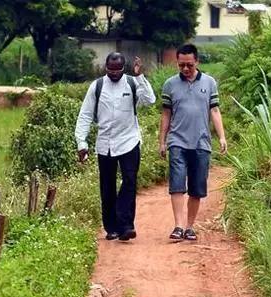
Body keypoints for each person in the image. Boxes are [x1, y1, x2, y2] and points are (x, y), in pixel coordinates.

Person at [75, 53, 156, 241]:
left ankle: (126, 226)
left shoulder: (132, 83)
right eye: (110, 70)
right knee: (107, 186)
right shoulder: (97, 86)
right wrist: (82, 142)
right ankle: (111, 227)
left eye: (117, 70)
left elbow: (150, 100)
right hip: (105, 143)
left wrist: (140, 76)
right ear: (106, 67)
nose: (113, 73)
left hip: (129, 140)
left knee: (129, 181)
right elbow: (85, 115)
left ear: (123, 68)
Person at [159, 43, 227, 242]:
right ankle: (178, 226)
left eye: (189, 65)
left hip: (201, 143)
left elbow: (214, 111)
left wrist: (221, 136)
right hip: (177, 142)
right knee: (177, 185)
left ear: (197, 61)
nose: (185, 69)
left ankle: (190, 226)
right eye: (181, 65)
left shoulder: (209, 83)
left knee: (197, 188)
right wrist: (162, 141)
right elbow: (165, 114)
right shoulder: (170, 85)